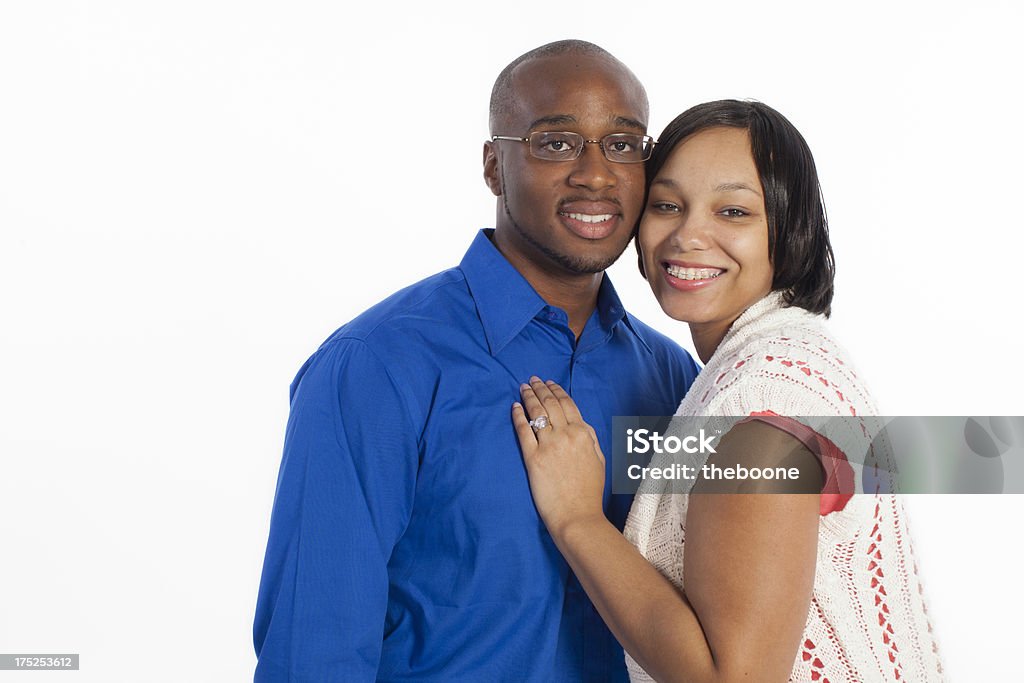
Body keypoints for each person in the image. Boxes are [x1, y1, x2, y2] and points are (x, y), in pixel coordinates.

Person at [252, 40, 700, 681]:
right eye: (556, 142)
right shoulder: (376, 368)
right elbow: (312, 652)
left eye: (624, 145)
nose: (596, 174)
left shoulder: (673, 379)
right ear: (494, 166)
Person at [514, 100, 944, 682]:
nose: (689, 234)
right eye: (667, 205)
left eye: (734, 210)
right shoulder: (782, 359)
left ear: (788, 230)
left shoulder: (762, 412)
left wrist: (577, 521)